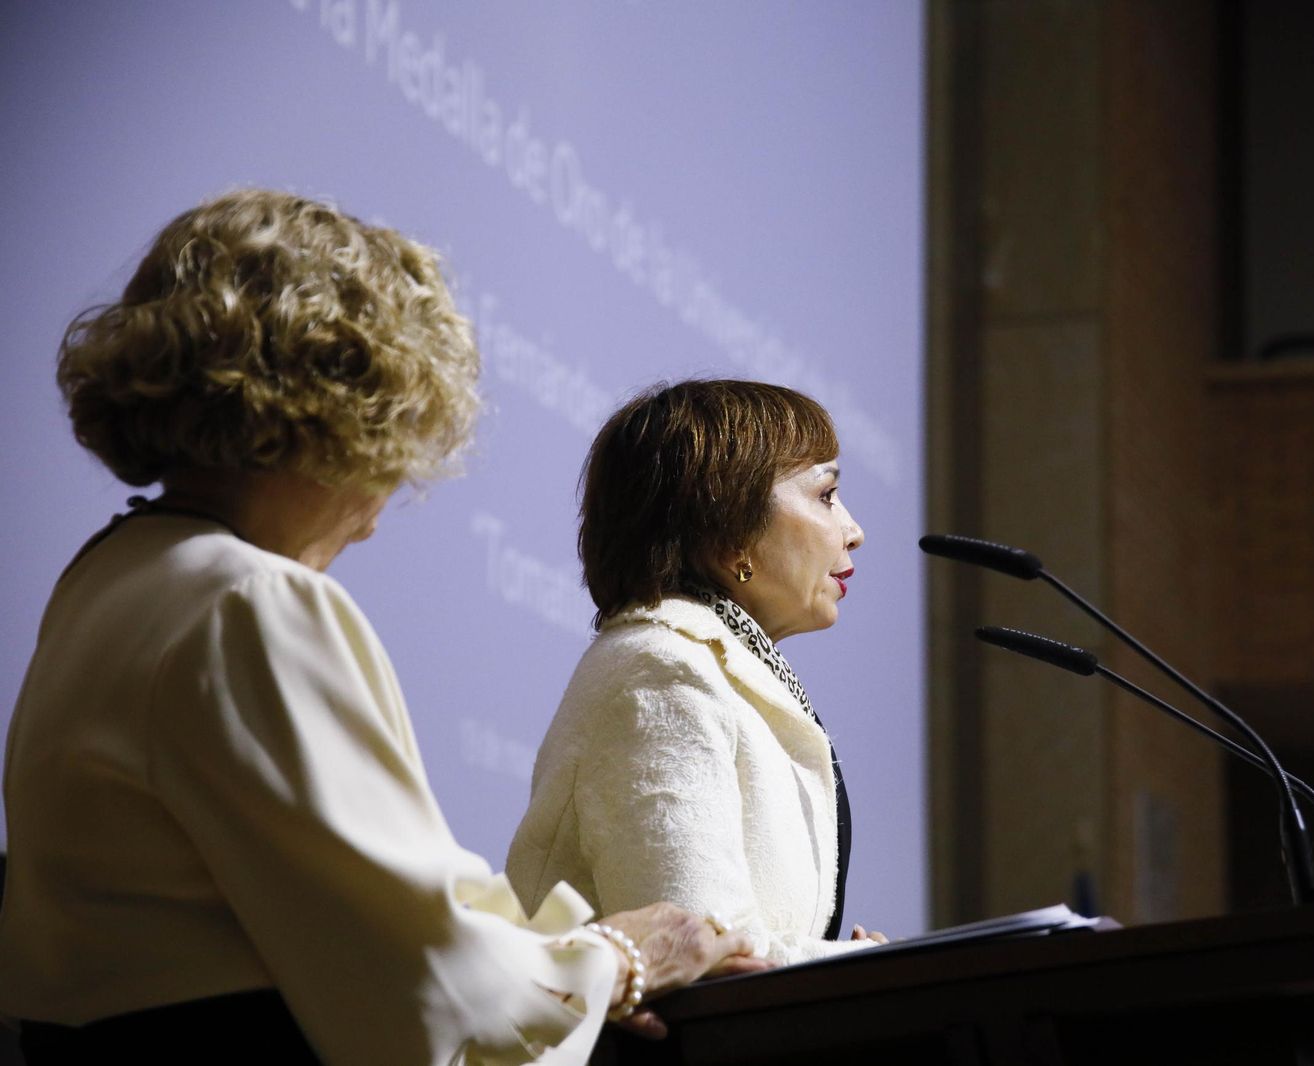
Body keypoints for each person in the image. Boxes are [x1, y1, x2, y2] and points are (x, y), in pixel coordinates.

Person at [0, 190, 762, 1065]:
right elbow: (427, 988)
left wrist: (555, 961)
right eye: (398, 439)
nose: (380, 509)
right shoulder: (250, 602)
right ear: (340, 408)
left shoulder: (105, 580)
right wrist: (622, 959)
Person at [505, 380, 887, 967]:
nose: (853, 529)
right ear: (731, 528)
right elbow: (701, 951)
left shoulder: (720, 665)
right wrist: (856, 970)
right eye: (827, 495)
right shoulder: (659, 670)